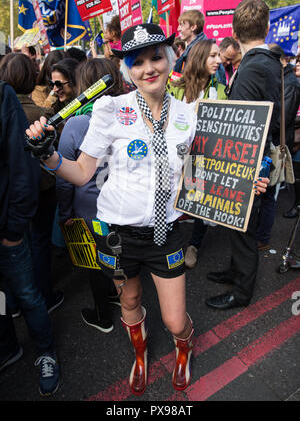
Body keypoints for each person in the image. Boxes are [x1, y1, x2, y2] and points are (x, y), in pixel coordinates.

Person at [25, 23, 268, 395]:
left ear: (170, 60)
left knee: (173, 321)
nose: (148, 68)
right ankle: (140, 355)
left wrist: (243, 185)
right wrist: (51, 157)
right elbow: (84, 172)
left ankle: (182, 348)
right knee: (131, 300)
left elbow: (202, 174)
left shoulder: (189, 115)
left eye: (156, 57)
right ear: (127, 70)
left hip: (166, 233)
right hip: (116, 234)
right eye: (137, 62)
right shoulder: (110, 110)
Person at [205, 0, 280, 310]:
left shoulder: (253, 68)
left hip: (246, 163)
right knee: (238, 227)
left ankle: (242, 291)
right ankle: (237, 272)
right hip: (251, 160)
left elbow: (242, 128)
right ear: (266, 27)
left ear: (234, 31)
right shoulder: (268, 62)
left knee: (244, 229)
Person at [0, 81, 59, 396]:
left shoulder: (2, 95)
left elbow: (23, 164)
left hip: (7, 233)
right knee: (0, 299)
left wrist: (13, 229)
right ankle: (8, 346)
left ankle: (46, 352)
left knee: (28, 295)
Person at [56, 58, 124, 333]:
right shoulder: (128, 116)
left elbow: (63, 178)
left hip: (88, 210)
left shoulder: (76, 123)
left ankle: (102, 315)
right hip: (122, 206)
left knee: (93, 261)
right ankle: (121, 298)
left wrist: (64, 214)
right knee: (119, 254)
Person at [0, 53, 64, 313]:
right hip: (39, 190)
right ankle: (43, 297)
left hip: (9, 199)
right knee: (39, 243)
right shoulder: (40, 115)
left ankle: (13, 303)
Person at [168, 39, 227, 268]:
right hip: (174, 156)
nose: (218, 60)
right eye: (213, 56)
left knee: (197, 201)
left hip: (201, 156)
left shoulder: (220, 89)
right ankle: (168, 244)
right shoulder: (175, 86)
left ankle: (193, 245)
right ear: (200, 57)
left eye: (218, 56)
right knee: (171, 198)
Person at [257, 44, 300, 246]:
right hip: (270, 142)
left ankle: (263, 238)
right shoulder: (280, 78)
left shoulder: (289, 83)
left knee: (269, 195)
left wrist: (259, 119)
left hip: (276, 144)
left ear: (281, 60)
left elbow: (282, 119)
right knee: (265, 192)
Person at [283, 52, 300, 219]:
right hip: (294, 135)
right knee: (295, 174)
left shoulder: (293, 85)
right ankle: (297, 204)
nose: (298, 65)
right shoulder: (294, 83)